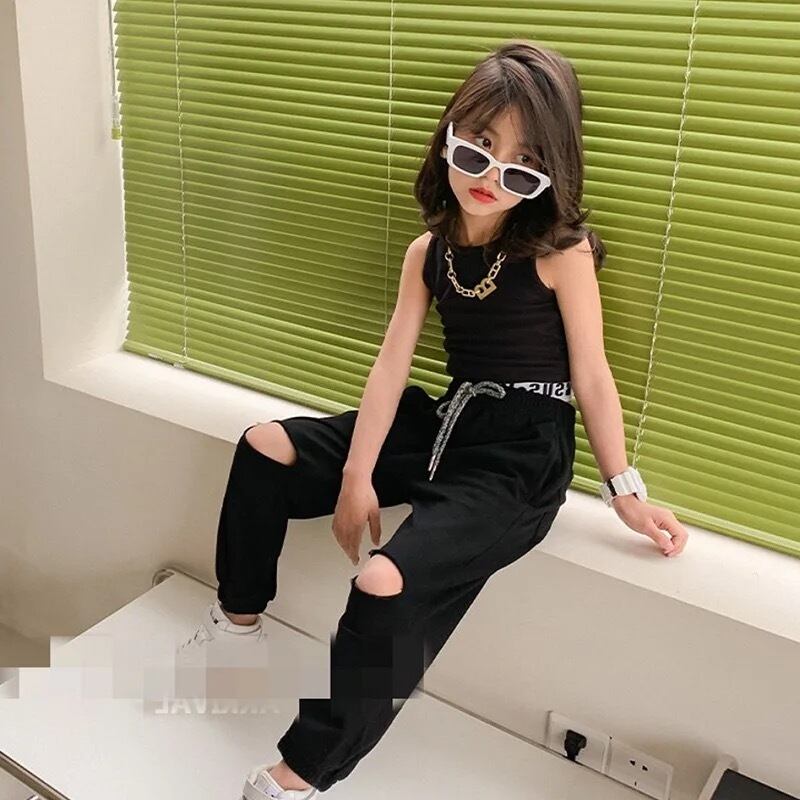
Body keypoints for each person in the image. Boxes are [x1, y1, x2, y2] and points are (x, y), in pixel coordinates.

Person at [177, 39, 689, 800]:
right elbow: (391, 367)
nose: (491, 178)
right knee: (265, 447)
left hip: (519, 456)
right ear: (449, 136)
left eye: (522, 166)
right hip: (447, 419)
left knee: (384, 581)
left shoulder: (561, 253)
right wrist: (356, 476)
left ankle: (302, 774)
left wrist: (626, 492)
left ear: (549, 174)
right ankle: (237, 628)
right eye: (478, 149)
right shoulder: (430, 250)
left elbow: (592, 375)